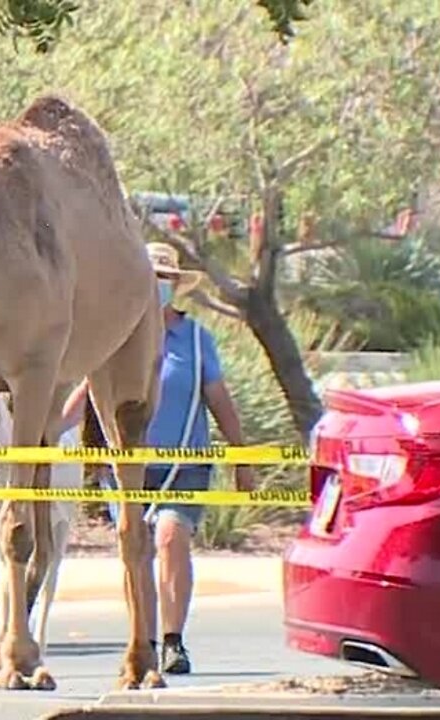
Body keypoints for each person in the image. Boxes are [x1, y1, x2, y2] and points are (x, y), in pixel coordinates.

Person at [54, 242, 254, 676]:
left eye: (164, 280)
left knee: (171, 536)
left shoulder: (196, 340)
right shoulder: (116, 333)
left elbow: (218, 398)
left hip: (184, 463)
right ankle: (142, 638)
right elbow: (89, 391)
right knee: (136, 548)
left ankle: (172, 639)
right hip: (125, 465)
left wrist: (243, 458)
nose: (156, 287)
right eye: (151, 278)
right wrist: (48, 433)